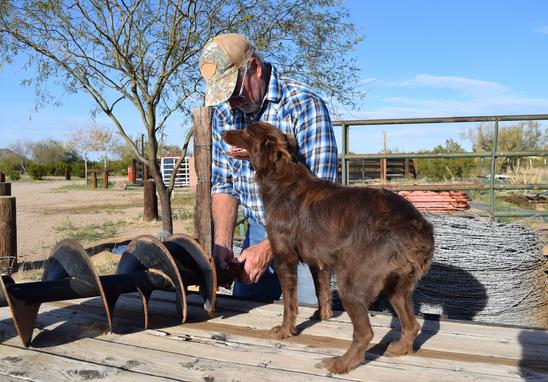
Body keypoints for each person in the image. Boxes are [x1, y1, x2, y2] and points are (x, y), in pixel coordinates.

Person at [199, 33, 338, 303]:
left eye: (235, 92)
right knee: (244, 315)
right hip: (258, 229)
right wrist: (223, 243)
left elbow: (322, 199)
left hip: (306, 236)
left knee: (311, 324)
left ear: (255, 68)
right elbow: (224, 184)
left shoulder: (304, 106)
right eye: (224, 97)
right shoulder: (226, 115)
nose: (231, 103)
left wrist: (269, 248)